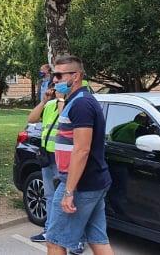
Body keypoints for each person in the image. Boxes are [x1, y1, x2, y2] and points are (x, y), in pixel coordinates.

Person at [46, 56, 113, 255]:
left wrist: (68, 191)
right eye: (53, 75)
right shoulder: (75, 101)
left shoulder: (82, 104)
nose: (55, 80)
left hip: (79, 185)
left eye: (59, 75)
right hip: (91, 183)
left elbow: (81, 150)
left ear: (75, 76)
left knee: (54, 242)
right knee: (98, 240)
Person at [27, 83, 64, 243]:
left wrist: (62, 100)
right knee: (49, 195)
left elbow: (64, 121)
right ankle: (49, 230)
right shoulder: (49, 105)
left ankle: (74, 236)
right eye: (54, 86)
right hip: (47, 155)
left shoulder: (72, 104)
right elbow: (32, 119)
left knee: (66, 197)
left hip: (63, 157)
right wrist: (43, 101)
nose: (55, 89)